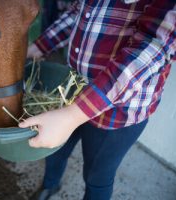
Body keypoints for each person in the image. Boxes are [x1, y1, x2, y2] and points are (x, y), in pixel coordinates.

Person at [18, 0, 176, 199]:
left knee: (97, 175)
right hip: (71, 90)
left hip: (119, 112)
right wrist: (39, 47)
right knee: (55, 150)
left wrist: (71, 117)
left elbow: (151, 49)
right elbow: (78, 12)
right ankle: (50, 185)